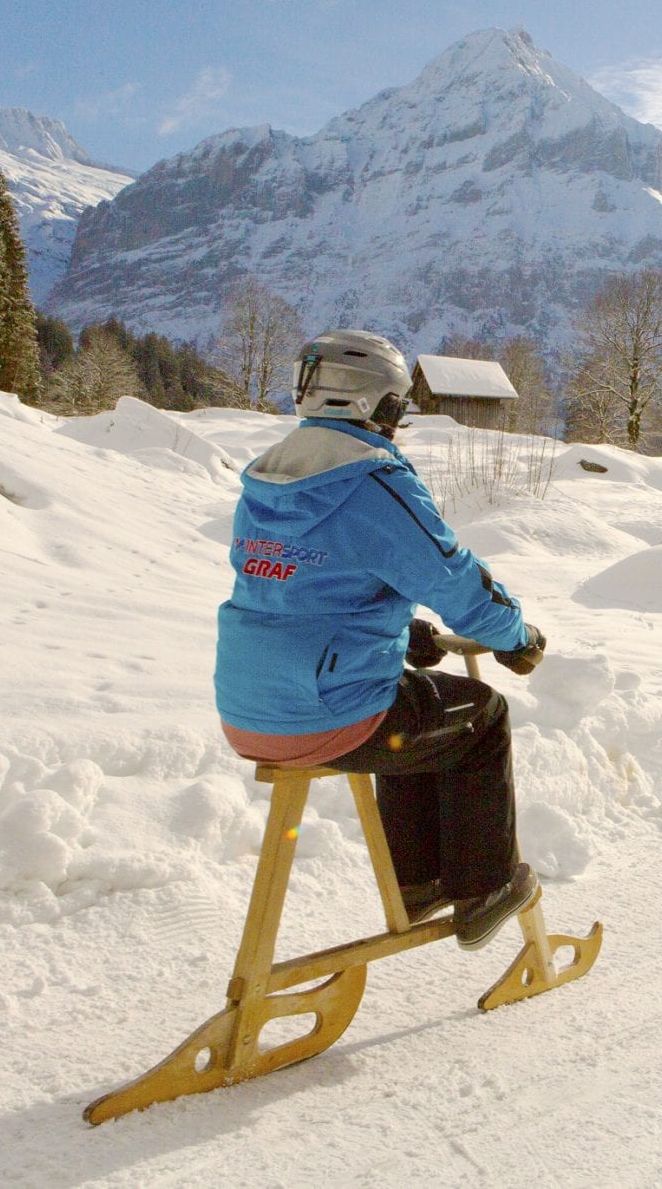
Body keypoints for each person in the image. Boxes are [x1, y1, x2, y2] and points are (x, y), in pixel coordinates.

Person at [213, 329, 547, 951]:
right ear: (378, 405)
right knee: (482, 718)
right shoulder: (373, 481)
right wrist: (517, 635)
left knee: (406, 702)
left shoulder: (269, 481)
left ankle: (417, 882)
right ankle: (485, 887)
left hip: (248, 708)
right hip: (327, 712)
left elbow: (305, 587)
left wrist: (399, 633)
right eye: (397, 407)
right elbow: (456, 582)